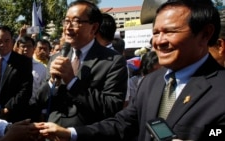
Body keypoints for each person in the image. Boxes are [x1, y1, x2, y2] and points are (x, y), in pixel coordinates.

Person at [36, 0, 225, 141]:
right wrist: (70, 134)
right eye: (156, 33)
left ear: (205, 34)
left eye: (170, 32)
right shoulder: (151, 82)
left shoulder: (220, 90)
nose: (159, 41)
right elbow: (121, 124)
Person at [35, 0, 128, 128]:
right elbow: (40, 100)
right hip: (52, 132)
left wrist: (72, 81)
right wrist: (52, 82)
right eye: (66, 21)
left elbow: (111, 107)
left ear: (94, 27)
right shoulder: (56, 58)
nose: (68, 27)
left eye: (76, 21)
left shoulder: (113, 61)